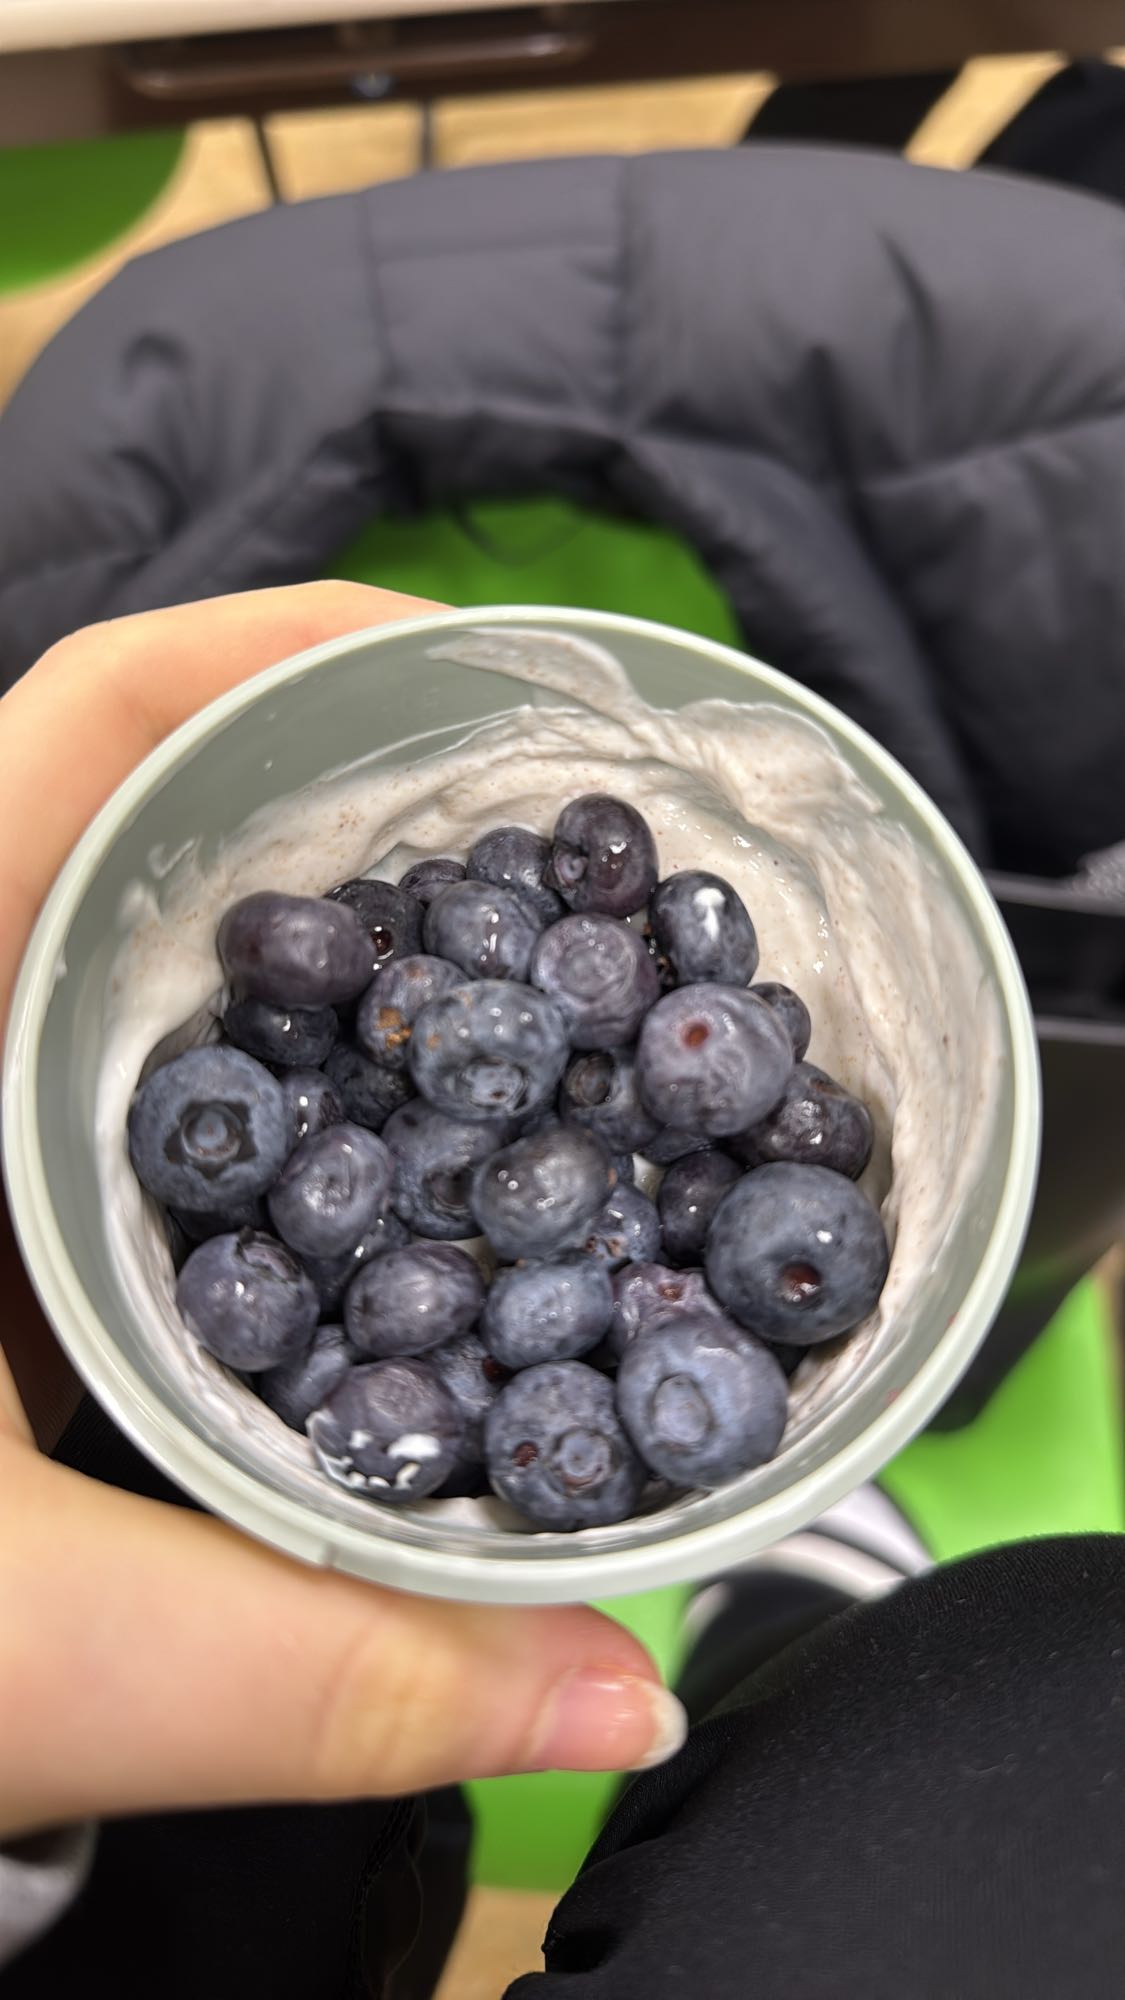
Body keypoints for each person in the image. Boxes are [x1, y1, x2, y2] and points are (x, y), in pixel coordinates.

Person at [2, 585, 1124, 1998]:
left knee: (313, 1858)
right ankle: (780, 1628)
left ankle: (755, 1629)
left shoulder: (645, 1157)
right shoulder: (417, 1134)